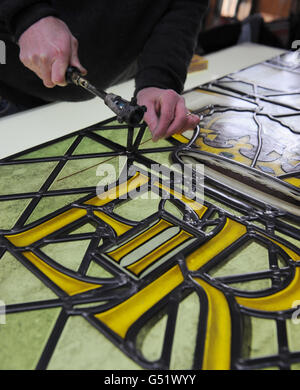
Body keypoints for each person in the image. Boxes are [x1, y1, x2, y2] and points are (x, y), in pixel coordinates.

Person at [0, 0, 208, 141]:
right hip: (11, 93)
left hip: (102, 88)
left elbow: (185, 5)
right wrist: (26, 14)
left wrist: (159, 80)